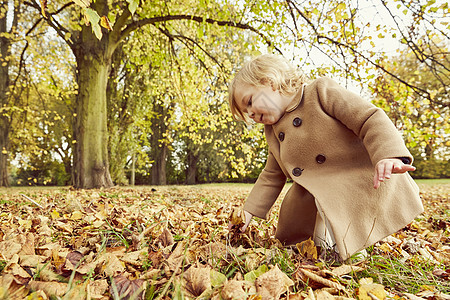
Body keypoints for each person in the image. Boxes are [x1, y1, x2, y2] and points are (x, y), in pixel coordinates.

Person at [227, 54, 423, 260]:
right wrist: (247, 213)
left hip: (349, 176)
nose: (250, 113)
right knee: (310, 214)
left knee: (333, 201)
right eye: (246, 112)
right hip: (311, 194)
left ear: (270, 81)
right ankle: (320, 249)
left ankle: (351, 251)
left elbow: (369, 118)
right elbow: (271, 175)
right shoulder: (273, 131)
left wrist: (388, 154)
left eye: (249, 101)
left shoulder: (319, 92)